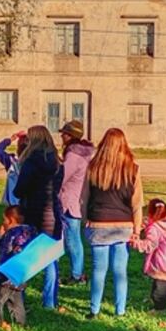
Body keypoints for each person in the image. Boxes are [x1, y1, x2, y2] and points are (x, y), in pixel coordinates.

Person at [81, 128, 143, 319]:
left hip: (98, 224)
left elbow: (84, 198)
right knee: (120, 271)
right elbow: (137, 203)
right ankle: (120, 310)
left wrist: (85, 220)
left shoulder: (93, 168)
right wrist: (137, 230)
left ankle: (94, 309)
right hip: (123, 225)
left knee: (99, 270)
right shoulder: (133, 169)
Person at [12, 125, 64, 309]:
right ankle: (50, 300)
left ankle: (19, 297)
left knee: (26, 254)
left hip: (33, 212)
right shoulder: (57, 162)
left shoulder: (30, 162)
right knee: (50, 258)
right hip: (52, 212)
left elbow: (19, 190)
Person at [0, 205, 39, 331]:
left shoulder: (10, 234)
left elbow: (3, 251)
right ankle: (20, 324)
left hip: (6, 276)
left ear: (11, 220)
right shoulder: (31, 232)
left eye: (4, 220)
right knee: (16, 301)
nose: (2, 223)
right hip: (21, 275)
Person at [58, 120, 95, 285]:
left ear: (70, 136)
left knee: (72, 239)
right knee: (73, 238)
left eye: (64, 133)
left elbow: (62, 177)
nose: (61, 136)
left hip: (69, 202)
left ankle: (77, 274)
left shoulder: (73, 155)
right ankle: (77, 272)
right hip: (78, 200)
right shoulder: (85, 153)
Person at [0, 130, 28, 206]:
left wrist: (10, 140)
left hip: (10, 203)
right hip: (27, 203)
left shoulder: (12, 162)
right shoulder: (35, 163)